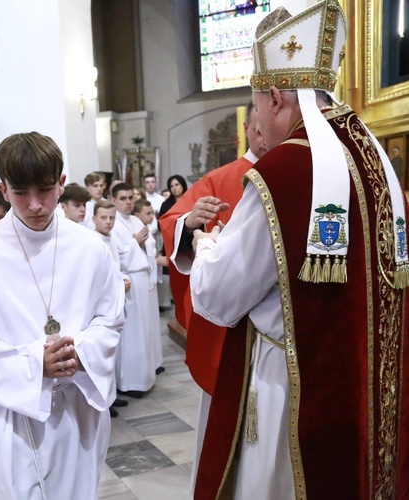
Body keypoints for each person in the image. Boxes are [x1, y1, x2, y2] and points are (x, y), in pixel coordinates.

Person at [190, 2, 409, 497]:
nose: (258, 124)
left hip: (287, 389)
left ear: (273, 95)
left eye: (255, 105)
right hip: (366, 386)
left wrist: (206, 245)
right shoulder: (376, 158)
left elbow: (220, 297)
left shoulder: (284, 172)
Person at [0, 132, 124, 499]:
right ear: (3, 190)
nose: (36, 205)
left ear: (60, 182)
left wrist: (78, 350)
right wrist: (33, 362)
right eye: (21, 193)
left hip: (77, 410)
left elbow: (111, 320)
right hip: (12, 414)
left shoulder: (91, 249)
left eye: (45, 190)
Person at [158, 101, 267, 490]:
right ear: (249, 126)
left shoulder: (300, 172)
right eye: (256, 127)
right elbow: (172, 222)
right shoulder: (223, 178)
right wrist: (190, 223)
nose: (262, 133)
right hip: (232, 329)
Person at [110, 182, 156, 397]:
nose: (128, 202)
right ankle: (130, 382)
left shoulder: (136, 220)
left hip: (142, 275)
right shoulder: (114, 223)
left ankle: (145, 376)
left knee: (144, 329)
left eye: (130, 198)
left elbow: (149, 247)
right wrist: (134, 242)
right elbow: (116, 255)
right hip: (128, 279)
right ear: (113, 200)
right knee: (131, 333)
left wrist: (143, 244)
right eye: (123, 198)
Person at [92, 199, 131, 417]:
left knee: (112, 354)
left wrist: (122, 279)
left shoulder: (110, 239)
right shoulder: (93, 242)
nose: (108, 222)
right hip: (101, 308)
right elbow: (97, 278)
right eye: (103, 218)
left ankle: (112, 396)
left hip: (114, 303)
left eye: (112, 218)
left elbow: (115, 269)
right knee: (103, 355)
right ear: (94, 218)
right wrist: (118, 284)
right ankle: (104, 401)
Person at [133, 198, 163, 375]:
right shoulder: (134, 229)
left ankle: (155, 360)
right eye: (148, 213)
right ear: (138, 215)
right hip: (138, 279)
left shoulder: (145, 230)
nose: (152, 216)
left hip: (148, 279)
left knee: (153, 322)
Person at [156, 175, 188, 311]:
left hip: (188, 241)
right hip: (171, 242)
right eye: (172, 186)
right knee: (172, 276)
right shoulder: (166, 204)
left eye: (177, 185)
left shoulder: (190, 199)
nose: (174, 188)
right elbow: (160, 224)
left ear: (182, 185)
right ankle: (176, 303)